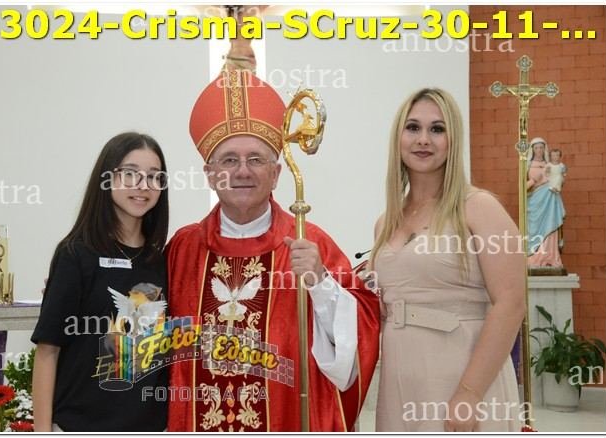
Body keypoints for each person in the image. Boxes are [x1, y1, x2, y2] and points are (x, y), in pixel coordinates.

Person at [165, 67, 380, 432]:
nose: (242, 171)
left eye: (255, 159)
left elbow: (358, 341)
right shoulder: (183, 250)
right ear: (210, 174)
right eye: (229, 160)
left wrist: (321, 284)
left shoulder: (310, 243)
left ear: (277, 174)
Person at [371, 88, 524, 432]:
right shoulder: (385, 223)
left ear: (452, 140)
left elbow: (511, 304)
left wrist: (470, 393)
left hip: (462, 375)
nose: (424, 139)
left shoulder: (479, 208)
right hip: (401, 379)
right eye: (413, 127)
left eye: (437, 129)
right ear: (398, 137)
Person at [31, 132, 170, 432]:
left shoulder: (162, 261)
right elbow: (47, 351)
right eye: (130, 173)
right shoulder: (76, 254)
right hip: (81, 425)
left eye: (154, 176)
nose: (143, 185)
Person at [526, 137, 566, 268]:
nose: (539, 150)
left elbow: (559, 180)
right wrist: (533, 181)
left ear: (545, 150)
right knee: (534, 229)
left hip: (550, 199)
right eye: (536, 148)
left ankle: (551, 257)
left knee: (551, 225)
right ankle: (534, 257)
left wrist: (560, 180)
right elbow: (522, 189)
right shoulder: (527, 165)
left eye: (541, 148)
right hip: (535, 201)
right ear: (532, 150)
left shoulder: (550, 164)